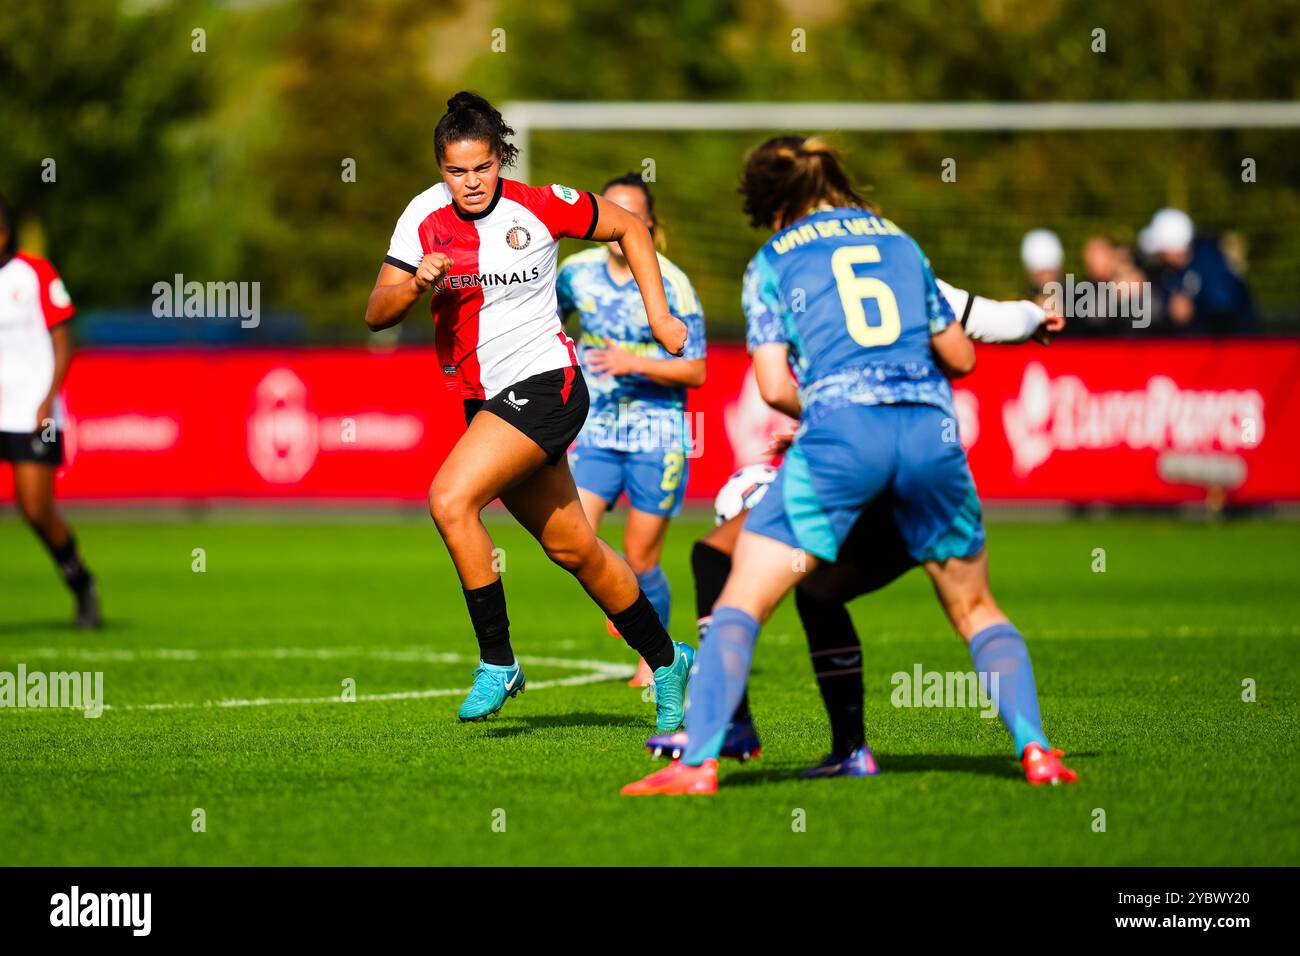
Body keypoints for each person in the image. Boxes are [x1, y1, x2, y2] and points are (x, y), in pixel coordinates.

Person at [621, 136, 1076, 795]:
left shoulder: (773, 261)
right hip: (931, 431)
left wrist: (836, 404)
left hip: (843, 434)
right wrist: (1020, 321)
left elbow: (775, 388)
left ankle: (699, 766)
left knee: (739, 596)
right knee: (976, 607)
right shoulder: (897, 242)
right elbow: (965, 357)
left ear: (771, 205)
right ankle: (1037, 752)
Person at [365, 92, 694, 728]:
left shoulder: (538, 205)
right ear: (440, 168)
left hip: (550, 384)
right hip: (485, 401)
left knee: (449, 500)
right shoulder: (423, 217)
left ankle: (498, 662)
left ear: (500, 161)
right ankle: (666, 657)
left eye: (482, 168)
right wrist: (413, 284)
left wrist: (659, 315)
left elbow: (628, 223)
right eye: (456, 171)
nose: (470, 183)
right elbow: (377, 314)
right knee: (576, 549)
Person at [647, 282, 1067, 777]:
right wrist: (1032, 317)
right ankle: (1029, 750)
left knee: (718, 558)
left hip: (851, 456)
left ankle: (725, 729)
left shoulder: (789, 265)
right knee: (839, 591)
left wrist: (828, 423)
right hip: (928, 456)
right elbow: (969, 340)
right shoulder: (899, 255)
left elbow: (776, 388)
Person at [557, 173, 706, 687]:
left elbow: (697, 370)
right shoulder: (575, 274)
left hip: (656, 436)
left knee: (642, 557)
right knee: (576, 539)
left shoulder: (673, 282)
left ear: (649, 222)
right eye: (611, 209)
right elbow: (543, 322)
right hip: (596, 431)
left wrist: (631, 364)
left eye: (632, 213)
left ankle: (657, 656)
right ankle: (617, 589)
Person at [0, 196, 100, 628]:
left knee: (35, 509)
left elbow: (64, 339)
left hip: (30, 410)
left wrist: (47, 397)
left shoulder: (35, 273)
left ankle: (81, 583)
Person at [1139, 208, 1256, 335]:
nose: (1159, 254)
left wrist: (1194, 308)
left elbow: (1226, 304)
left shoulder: (1210, 263)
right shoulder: (1168, 271)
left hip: (1234, 346)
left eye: (1162, 248)